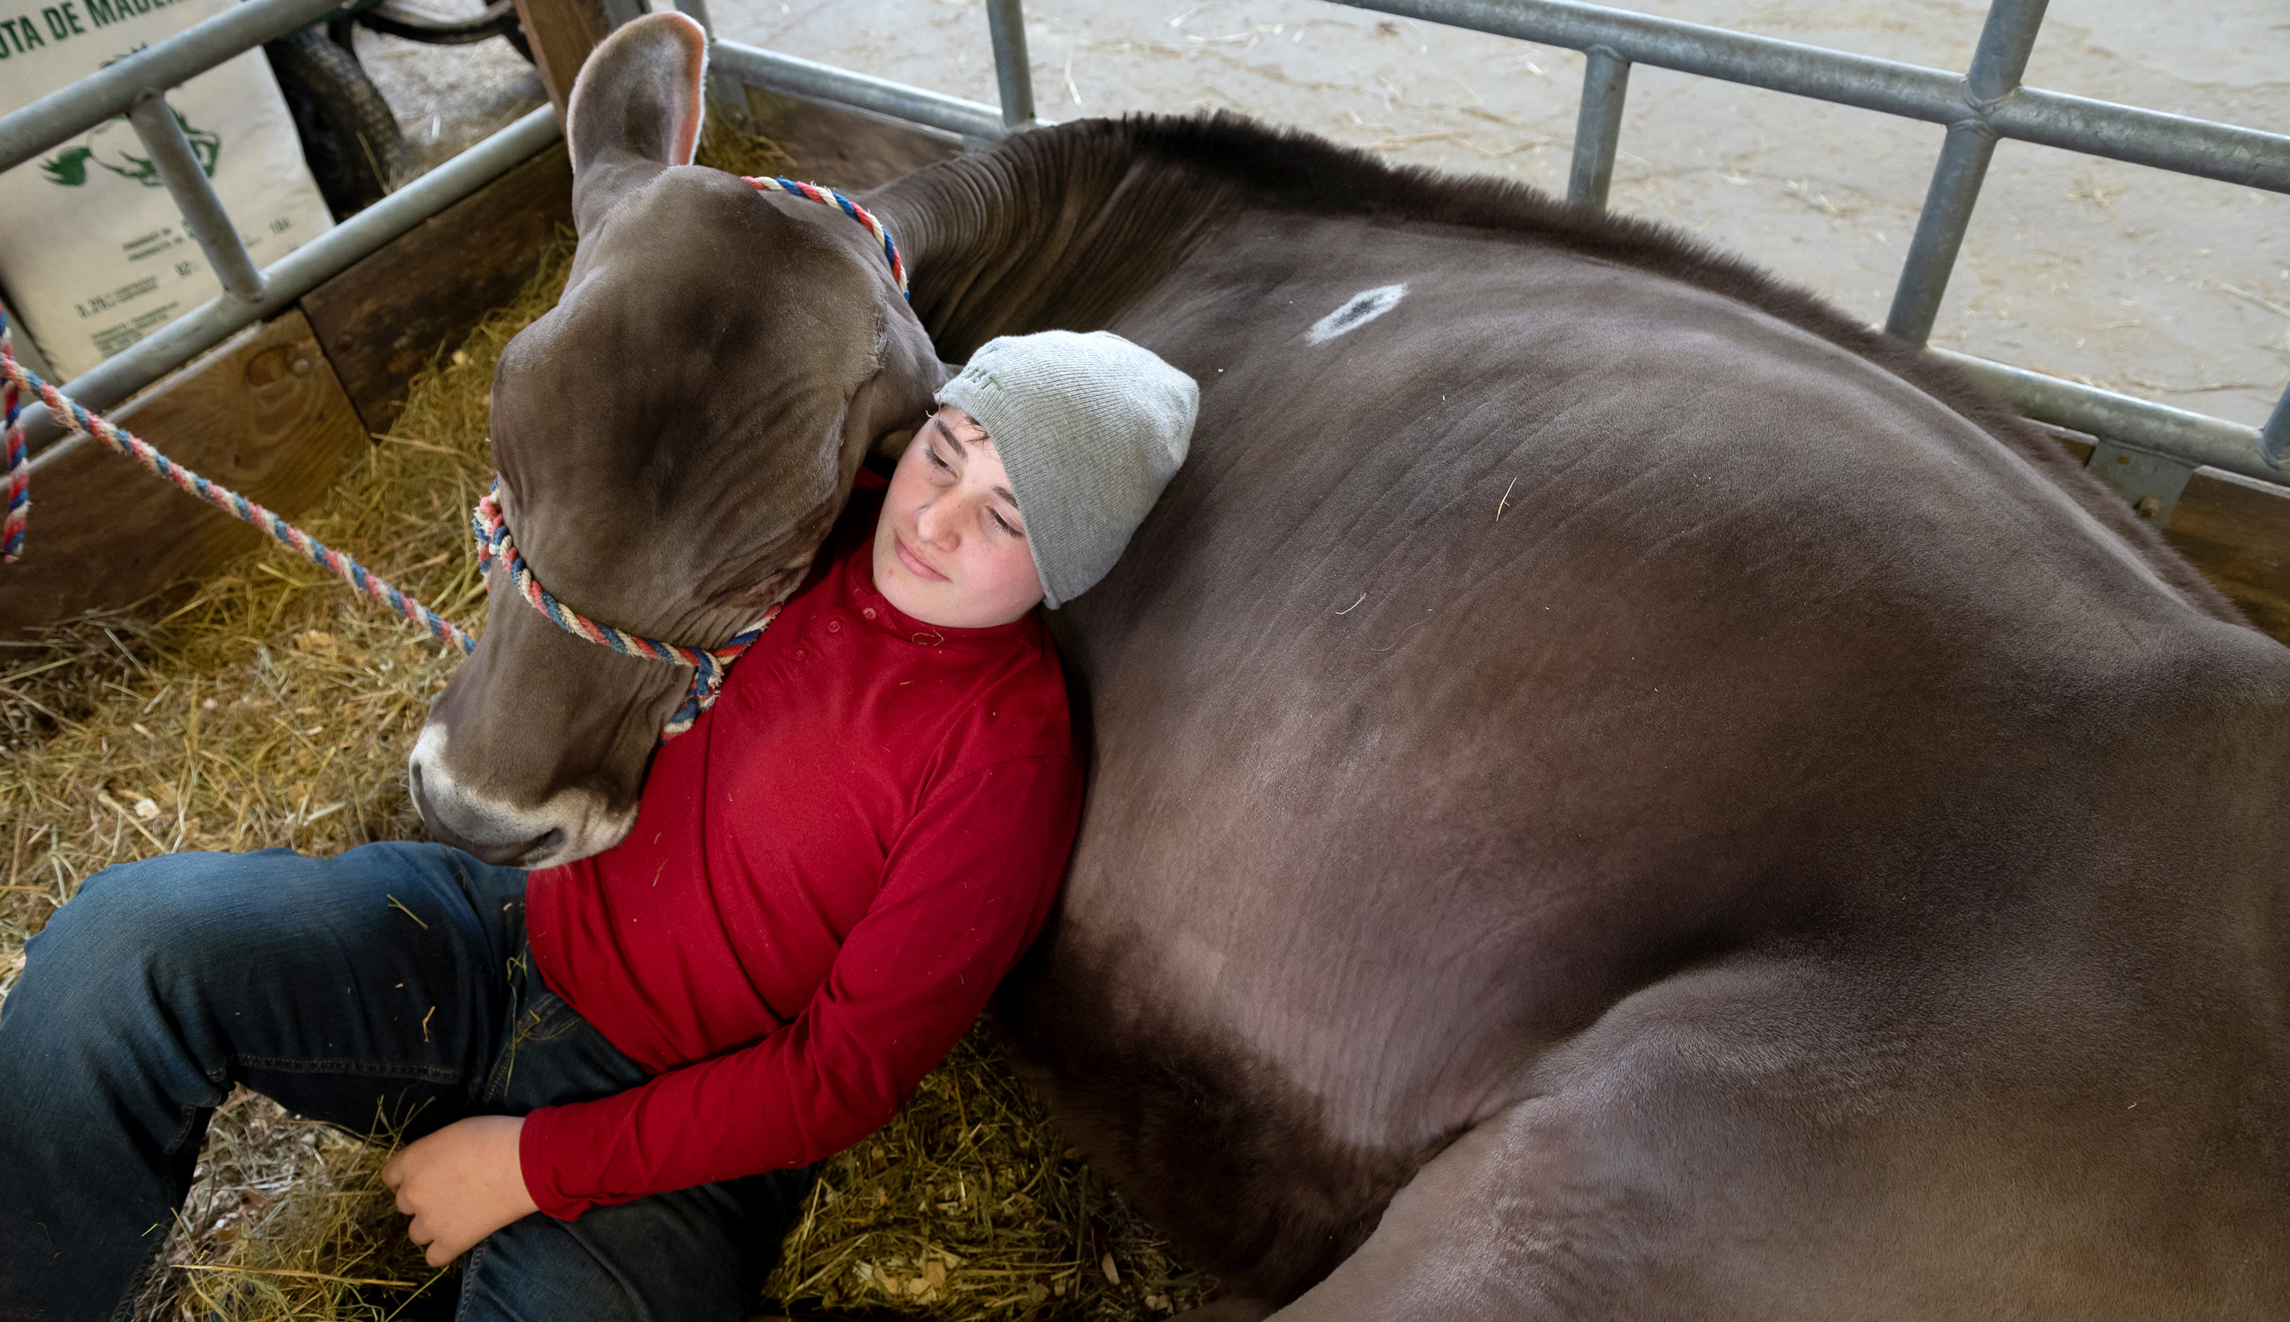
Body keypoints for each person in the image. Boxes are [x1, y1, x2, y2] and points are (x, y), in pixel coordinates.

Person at [0, 330, 1199, 1322]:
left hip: (684, 1118)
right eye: (945, 454)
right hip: (501, 933)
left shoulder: (1004, 757)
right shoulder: (799, 516)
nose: (933, 521)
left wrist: (530, 1164)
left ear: (1066, 569)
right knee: (129, 941)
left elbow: (838, 1077)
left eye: (1002, 519)